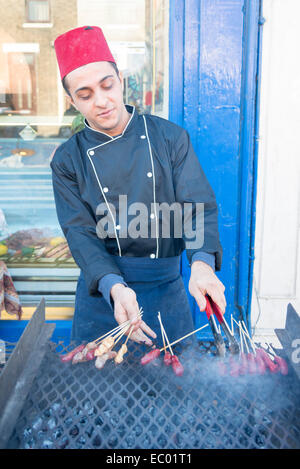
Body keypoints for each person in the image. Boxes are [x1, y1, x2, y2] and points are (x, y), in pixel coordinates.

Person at [51, 26, 226, 348]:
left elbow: (196, 206)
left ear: (121, 79)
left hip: (165, 291)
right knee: (95, 389)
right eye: (86, 95)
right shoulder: (67, 159)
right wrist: (114, 287)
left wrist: (201, 265)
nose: (102, 102)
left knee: (171, 388)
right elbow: (80, 233)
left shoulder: (169, 138)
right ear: (71, 100)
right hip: (104, 292)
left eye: (108, 85)